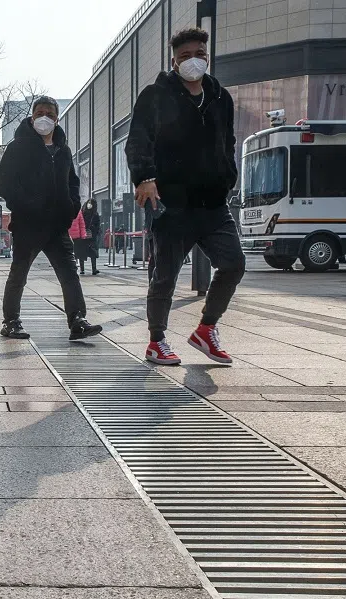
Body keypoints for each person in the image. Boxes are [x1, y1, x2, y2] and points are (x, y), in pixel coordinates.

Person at [126, 27, 244, 367]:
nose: (194, 60)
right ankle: (156, 340)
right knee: (164, 275)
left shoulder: (221, 98)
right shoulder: (156, 95)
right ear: (174, 60)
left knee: (234, 264)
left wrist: (228, 177)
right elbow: (137, 141)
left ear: (208, 55)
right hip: (172, 202)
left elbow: (229, 143)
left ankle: (206, 329)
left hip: (212, 203)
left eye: (200, 54)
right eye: (186, 56)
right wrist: (145, 178)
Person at [0, 96, 103, 341]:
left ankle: (77, 320)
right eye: (40, 113)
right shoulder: (17, 147)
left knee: (69, 274)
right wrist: (26, 206)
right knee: (19, 274)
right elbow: (4, 184)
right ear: (32, 116)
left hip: (57, 226)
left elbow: (73, 183)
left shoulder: (63, 150)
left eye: (50, 115)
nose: (45, 118)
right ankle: (11, 321)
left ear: (57, 119)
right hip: (28, 225)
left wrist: (71, 207)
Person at [82, 200, 101, 275]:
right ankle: (83, 269)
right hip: (85, 235)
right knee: (83, 252)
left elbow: (98, 225)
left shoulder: (94, 214)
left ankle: (93, 269)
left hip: (90, 235)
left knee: (91, 252)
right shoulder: (83, 213)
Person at [69, 209, 88, 275]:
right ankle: (73, 268)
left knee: (79, 254)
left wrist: (83, 235)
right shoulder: (78, 212)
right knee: (72, 254)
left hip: (76, 237)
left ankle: (82, 269)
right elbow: (82, 225)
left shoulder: (79, 212)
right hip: (70, 236)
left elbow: (82, 224)